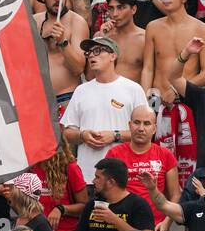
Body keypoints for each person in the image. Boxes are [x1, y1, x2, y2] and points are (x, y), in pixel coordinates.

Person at [61, 34, 147, 183]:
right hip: (88, 176)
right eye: (89, 53)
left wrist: (115, 136)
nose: (91, 56)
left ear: (113, 56)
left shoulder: (133, 89)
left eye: (98, 51)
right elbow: (67, 132)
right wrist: (83, 135)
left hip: (124, 175)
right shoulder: (81, 90)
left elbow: (147, 132)